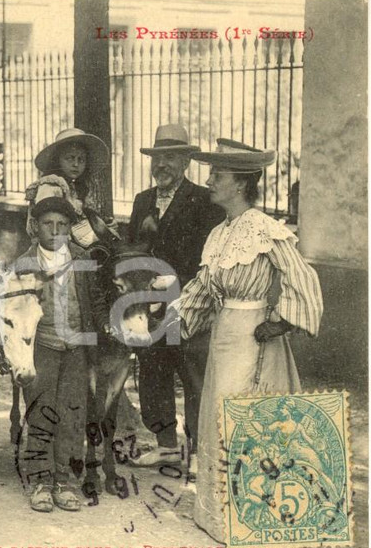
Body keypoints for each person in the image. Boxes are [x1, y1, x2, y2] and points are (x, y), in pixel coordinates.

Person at [174, 138, 323, 544]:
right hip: (225, 334)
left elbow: (301, 276)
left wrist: (281, 323)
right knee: (218, 414)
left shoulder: (260, 228)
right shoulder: (220, 233)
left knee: (245, 420)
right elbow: (204, 288)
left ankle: (256, 514)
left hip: (254, 338)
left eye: (217, 176)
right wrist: (168, 323)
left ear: (240, 184)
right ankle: (218, 514)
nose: (209, 182)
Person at [126, 124, 225, 464]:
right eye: (157, 158)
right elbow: (133, 252)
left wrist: (176, 283)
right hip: (150, 308)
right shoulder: (142, 201)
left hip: (189, 303)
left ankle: (198, 451)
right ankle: (166, 445)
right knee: (153, 372)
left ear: (186, 162)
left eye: (170, 158)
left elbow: (211, 259)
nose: (162, 165)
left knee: (194, 375)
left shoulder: (204, 201)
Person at [15, 196, 108, 513]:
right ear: (34, 227)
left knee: (72, 415)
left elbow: (94, 303)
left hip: (76, 349)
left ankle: (64, 481)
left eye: (62, 225)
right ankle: (40, 482)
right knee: (41, 413)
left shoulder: (82, 260)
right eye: (47, 224)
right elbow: (14, 313)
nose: (55, 230)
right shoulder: (25, 264)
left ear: (70, 228)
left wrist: (100, 338)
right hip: (42, 347)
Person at [27, 128, 119, 249]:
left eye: (81, 159)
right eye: (70, 158)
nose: (76, 164)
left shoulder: (72, 188)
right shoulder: (51, 186)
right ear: (57, 160)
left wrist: (102, 227)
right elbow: (49, 229)